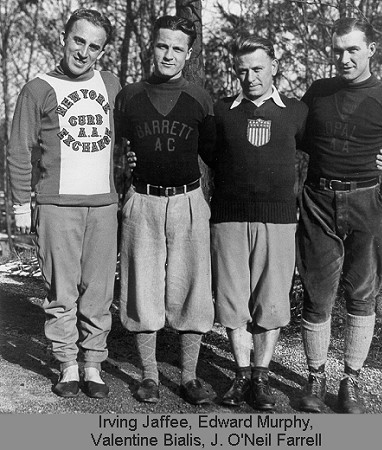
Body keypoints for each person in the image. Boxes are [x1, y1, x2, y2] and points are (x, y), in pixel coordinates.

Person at [297, 17, 382, 413]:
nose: (344, 59)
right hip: (318, 201)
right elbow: (295, 136)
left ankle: (351, 382)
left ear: (370, 51)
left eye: (352, 50)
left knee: (362, 294)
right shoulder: (319, 93)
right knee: (317, 294)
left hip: (367, 204)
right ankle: (315, 377)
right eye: (338, 51)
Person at [7, 9, 121, 399]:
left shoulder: (112, 85)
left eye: (94, 46)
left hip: (104, 207)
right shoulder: (37, 88)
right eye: (79, 40)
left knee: (99, 292)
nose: (84, 51)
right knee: (62, 293)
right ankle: (67, 364)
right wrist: (21, 206)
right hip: (57, 206)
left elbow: (129, 136)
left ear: (101, 52)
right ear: (64, 38)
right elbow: (19, 152)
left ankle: (93, 364)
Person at [115, 15, 215, 406]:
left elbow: (218, 155)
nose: (168, 54)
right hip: (143, 199)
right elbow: (116, 149)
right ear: (151, 46)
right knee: (142, 288)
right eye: (162, 45)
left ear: (188, 54)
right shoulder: (129, 96)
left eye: (177, 48)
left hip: (189, 200)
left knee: (192, 288)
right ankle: (149, 376)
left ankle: (189, 376)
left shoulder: (200, 99)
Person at [209, 36, 308, 411]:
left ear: (274, 67)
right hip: (229, 218)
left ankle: (261, 379)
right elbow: (207, 153)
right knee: (233, 302)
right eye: (243, 70)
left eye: (258, 69)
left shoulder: (295, 112)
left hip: (279, 220)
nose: (250, 77)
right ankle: (240, 375)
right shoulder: (222, 111)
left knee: (271, 301)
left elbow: (326, 148)